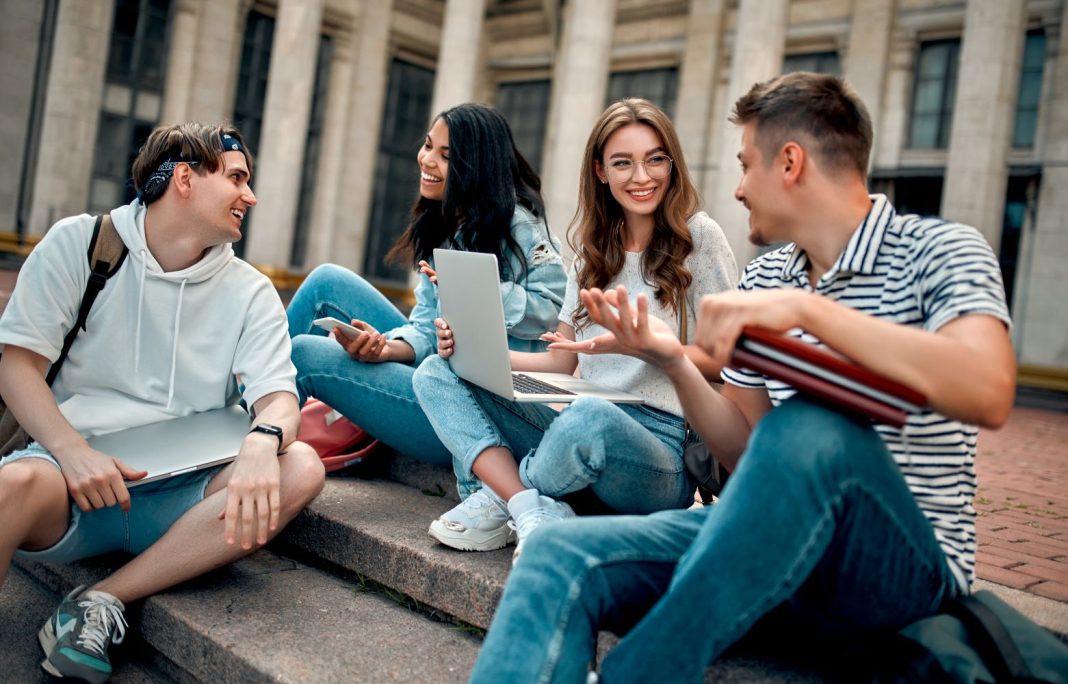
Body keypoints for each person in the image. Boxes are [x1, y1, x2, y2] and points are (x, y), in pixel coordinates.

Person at [467, 72, 1016, 683]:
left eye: (746, 164)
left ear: (790, 163)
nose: (738, 187)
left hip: (901, 565)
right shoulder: (766, 278)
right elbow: (744, 449)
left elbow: (988, 390)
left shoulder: (941, 250)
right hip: (764, 542)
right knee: (554, 555)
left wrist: (808, 312)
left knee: (808, 427)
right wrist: (670, 358)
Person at [0, 123, 326, 683]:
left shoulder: (250, 291)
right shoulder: (81, 242)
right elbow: (17, 366)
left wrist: (263, 439)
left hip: (185, 498)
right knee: (10, 487)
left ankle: (101, 600)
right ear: (184, 179)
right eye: (237, 179)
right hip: (73, 481)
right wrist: (73, 453)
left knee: (299, 465)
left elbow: (278, 399)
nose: (250, 197)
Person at [413, 98, 737, 560]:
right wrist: (471, 353)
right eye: (623, 163)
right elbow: (560, 360)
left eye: (655, 160)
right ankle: (527, 504)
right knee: (436, 371)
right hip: (579, 418)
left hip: (661, 448)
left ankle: (504, 495)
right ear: (601, 172)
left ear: (672, 164)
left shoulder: (699, 237)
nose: (641, 177)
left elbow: (730, 358)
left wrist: (652, 349)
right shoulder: (591, 254)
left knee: (588, 418)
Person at [286, 102, 566, 465]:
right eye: (428, 145)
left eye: (446, 155)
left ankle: (246, 435)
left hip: (480, 408)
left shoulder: (520, 226)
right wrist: (387, 348)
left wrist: (473, 292)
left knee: (304, 353)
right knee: (327, 282)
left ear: (477, 167)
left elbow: (554, 310)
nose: (426, 159)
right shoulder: (448, 222)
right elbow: (426, 327)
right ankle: (239, 413)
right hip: (444, 367)